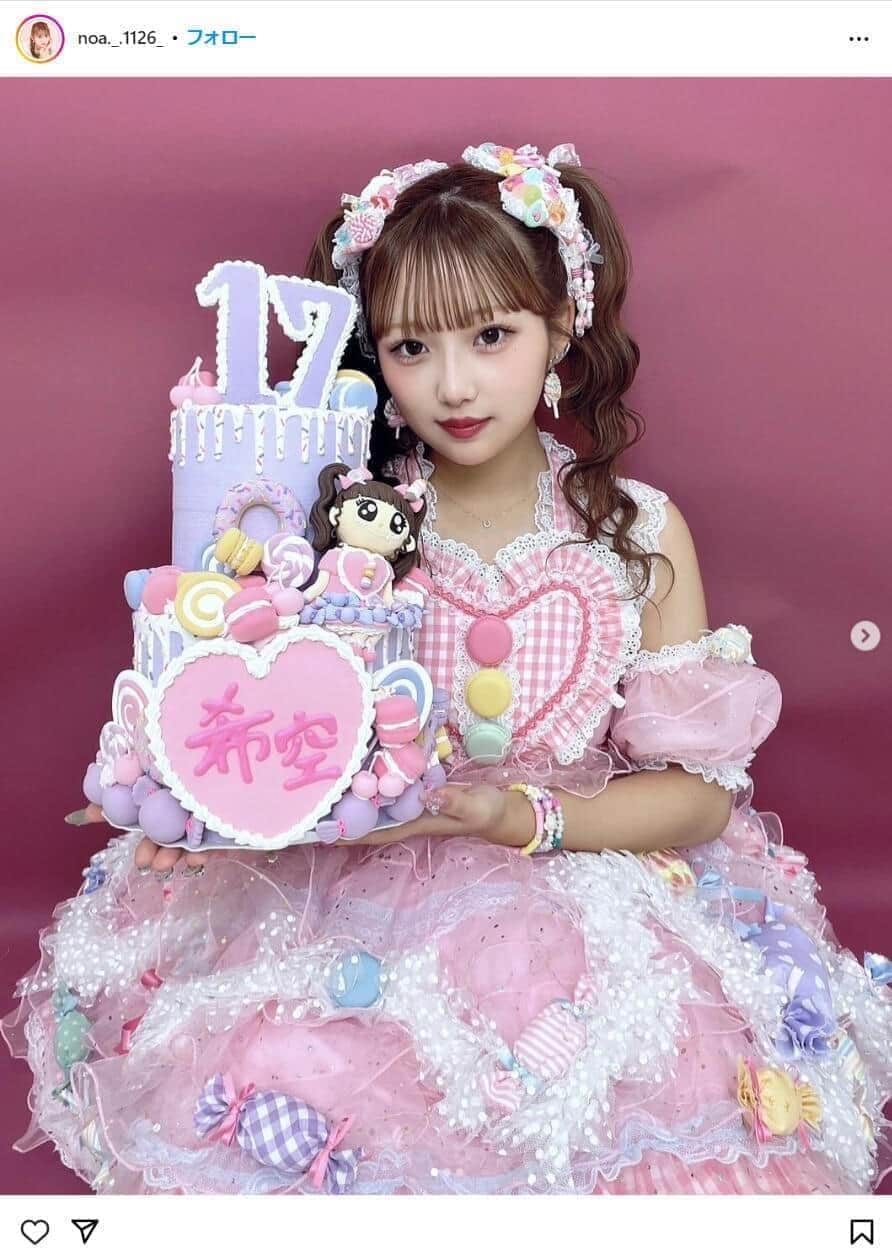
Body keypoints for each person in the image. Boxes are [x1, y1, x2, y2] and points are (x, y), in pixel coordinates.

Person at [3, 141, 890, 1196]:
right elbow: (269, 716)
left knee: (648, 1078)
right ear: (374, 354)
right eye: (411, 346)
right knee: (303, 1070)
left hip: (580, 876)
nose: (453, 383)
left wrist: (515, 819)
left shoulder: (638, 533)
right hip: (353, 878)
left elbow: (697, 800)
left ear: (562, 324)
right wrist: (202, 804)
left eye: (491, 335)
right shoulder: (339, 525)